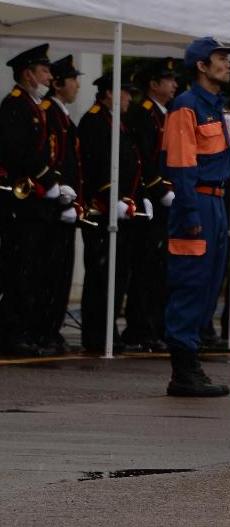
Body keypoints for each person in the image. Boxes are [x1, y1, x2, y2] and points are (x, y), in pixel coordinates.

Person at [162, 37, 230, 396]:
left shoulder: (212, 106)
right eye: (220, 58)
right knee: (190, 286)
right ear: (201, 65)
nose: (227, 64)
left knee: (210, 286)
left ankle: (191, 365)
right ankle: (183, 373)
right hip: (196, 203)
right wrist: (189, 214)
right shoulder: (187, 107)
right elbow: (181, 166)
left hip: (213, 203)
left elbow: (221, 162)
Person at [2, 45, 76, 357]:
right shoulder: (16, 105)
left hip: (37, 201)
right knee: (20, 271)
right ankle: (13, 333)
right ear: (28, 74)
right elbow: (19, 151)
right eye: (43, 71)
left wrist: (58, 184)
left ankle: (29, 331)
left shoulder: (35, 107)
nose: (48, 77)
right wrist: (49, 180)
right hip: (22, 202)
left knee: (33, 272)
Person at [77, 74, 146, 354]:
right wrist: (111, 197)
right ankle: (96, 333)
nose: (129, 97)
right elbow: (95, 164)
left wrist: (134, 197)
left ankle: (108, 329)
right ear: (108, 93)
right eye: (124, 92)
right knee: (101, 274)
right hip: (102, 209)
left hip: (120, 208)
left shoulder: (113, 120)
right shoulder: (95, 121)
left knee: (117, 276)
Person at [122, 59, 177, 352]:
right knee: (146, 269)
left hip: (164, 198)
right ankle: (140, 327)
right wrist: (157, 188)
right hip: (151, 200)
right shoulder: (145, 114)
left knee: (158, 270)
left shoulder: (162, 113)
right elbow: (142, 157)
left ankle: (153, 325)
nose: (174, 84)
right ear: (153, 85)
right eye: (167, 79)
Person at [39, 55, 84, 355]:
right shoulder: (48, 112)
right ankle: (41, 330)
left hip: (64, 204)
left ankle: (50, 329)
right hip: (49, 205)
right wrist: (57, 187)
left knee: (61, 273)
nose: (77, 85)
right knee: (47, 273)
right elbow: (47, 155)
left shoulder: (62, 114)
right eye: (72, 79)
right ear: (58, 83)